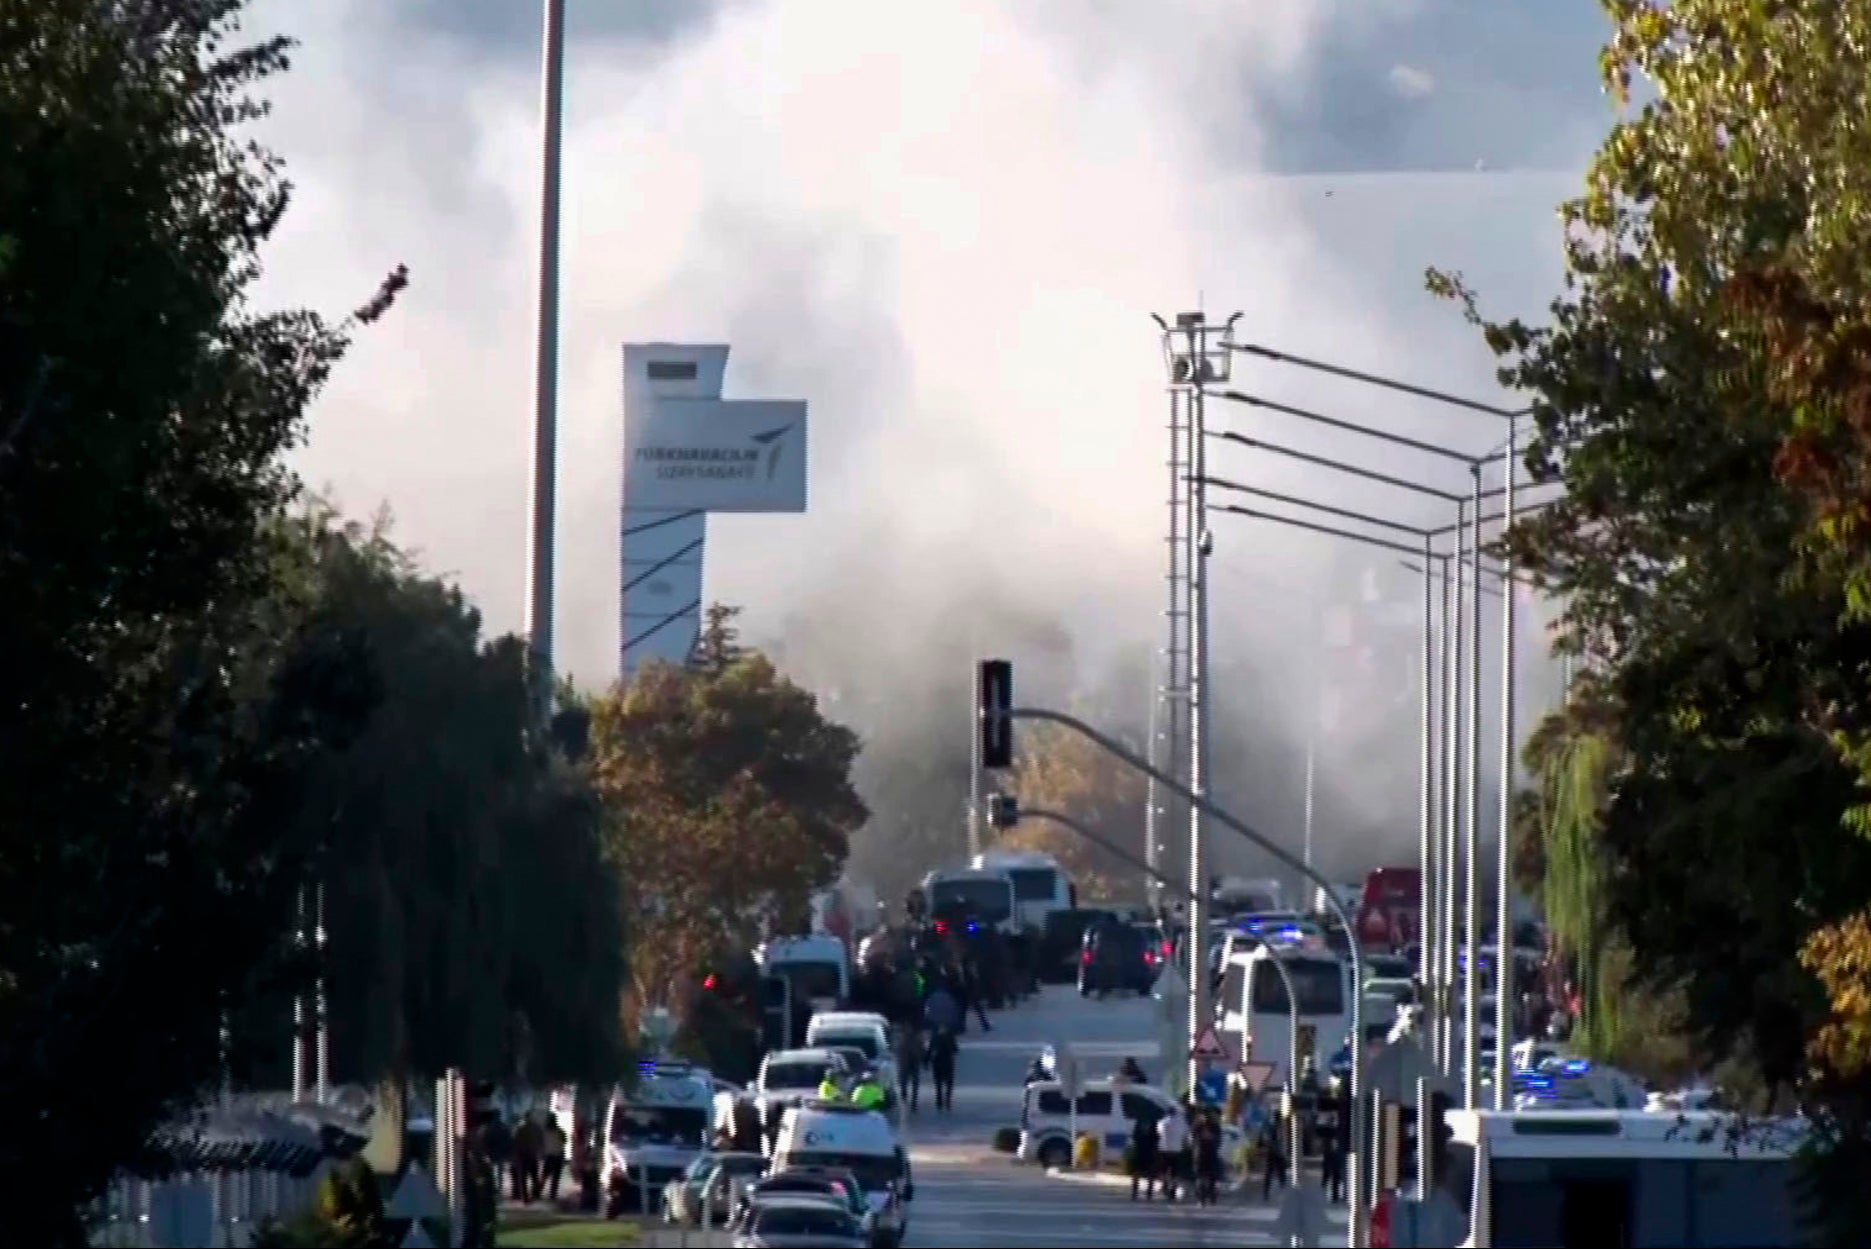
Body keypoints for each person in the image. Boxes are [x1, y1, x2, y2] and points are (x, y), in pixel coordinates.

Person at [1155, 1103, 1187, 1202]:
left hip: (1164, 1149)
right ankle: (1173, 1189)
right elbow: (1186, 1135)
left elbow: (1159, 1133)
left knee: (1164, 1170)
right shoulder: (1182, 1123)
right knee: (1175, 1172)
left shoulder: (1162, 1122)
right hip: (1177, 1150)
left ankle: (1165, 1187)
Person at [1127, 1111, 1161, 1201]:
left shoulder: (1138, 1122)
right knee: (1150, 1173)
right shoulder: (1154, 1123)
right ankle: (1149, 1194)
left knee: (1137, 1172)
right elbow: (1157, 1138)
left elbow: (1134, 1136)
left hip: (1139, 1150)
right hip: (1150, 1151)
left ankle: (1134, 1192)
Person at [1193, 1109, 1224, 1206]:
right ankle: (1211, 1197)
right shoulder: (1216, 1127)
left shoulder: (1198, 1127)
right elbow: (1219, 1142)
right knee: (1212, 1177)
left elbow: (1192, 1140)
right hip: (1212, 1154)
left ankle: (1201, 1199)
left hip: (1200, 1154)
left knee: (1201, 1177)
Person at [512, 1111, 543, 1203]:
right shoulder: (537, 1128)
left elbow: (516, 1142)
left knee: (523, 1178)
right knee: (534, 1176)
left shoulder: (520, 1128)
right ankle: (535, 1194)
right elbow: (541, 1141)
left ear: (525, 1118)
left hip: (523, 1155)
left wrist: (514, 1155)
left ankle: (525, 1198)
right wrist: (540, 1151)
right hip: (533, 1154)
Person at [896, 1024, 926, 1113]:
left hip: (910, 1063)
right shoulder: (914, 1040)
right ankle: (910, 1099)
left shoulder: (903, 1040)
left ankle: (910, 1099)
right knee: (910, 1082)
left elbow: (898, 1052)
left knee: (908, 1082)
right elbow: (922, 1050)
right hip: (910, 1063)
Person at [928, 1026, 959, 1113]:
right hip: (948, 1063)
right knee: (949, 1083)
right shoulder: (950, 1038)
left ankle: (939, 1101)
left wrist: (926, 1061)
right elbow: (955, 1050)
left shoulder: (934, 1038)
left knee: (938, 1084)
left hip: (937, 1062)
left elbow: (930, 1051)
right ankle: (948, 1101)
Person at [1259, 1112, 1289, 1201]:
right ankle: (1268, 1193)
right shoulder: (1276, 1128)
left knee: (1274, 1174)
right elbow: (1270, 1140)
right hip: (1275, 1153)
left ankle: (1267, 1193)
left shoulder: (1275, 1127)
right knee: (1276, 1174)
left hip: (1274, 1153)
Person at [541, 1115, 568, 1202]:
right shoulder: (560, 1131)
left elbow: (542, 1143)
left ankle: (538, 1191)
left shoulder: (545, 1131)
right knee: (555, 1177)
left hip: (548, 1156)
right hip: (558, 1156)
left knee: (544, 1176)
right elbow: (564, 1142)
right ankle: (552, 1194)